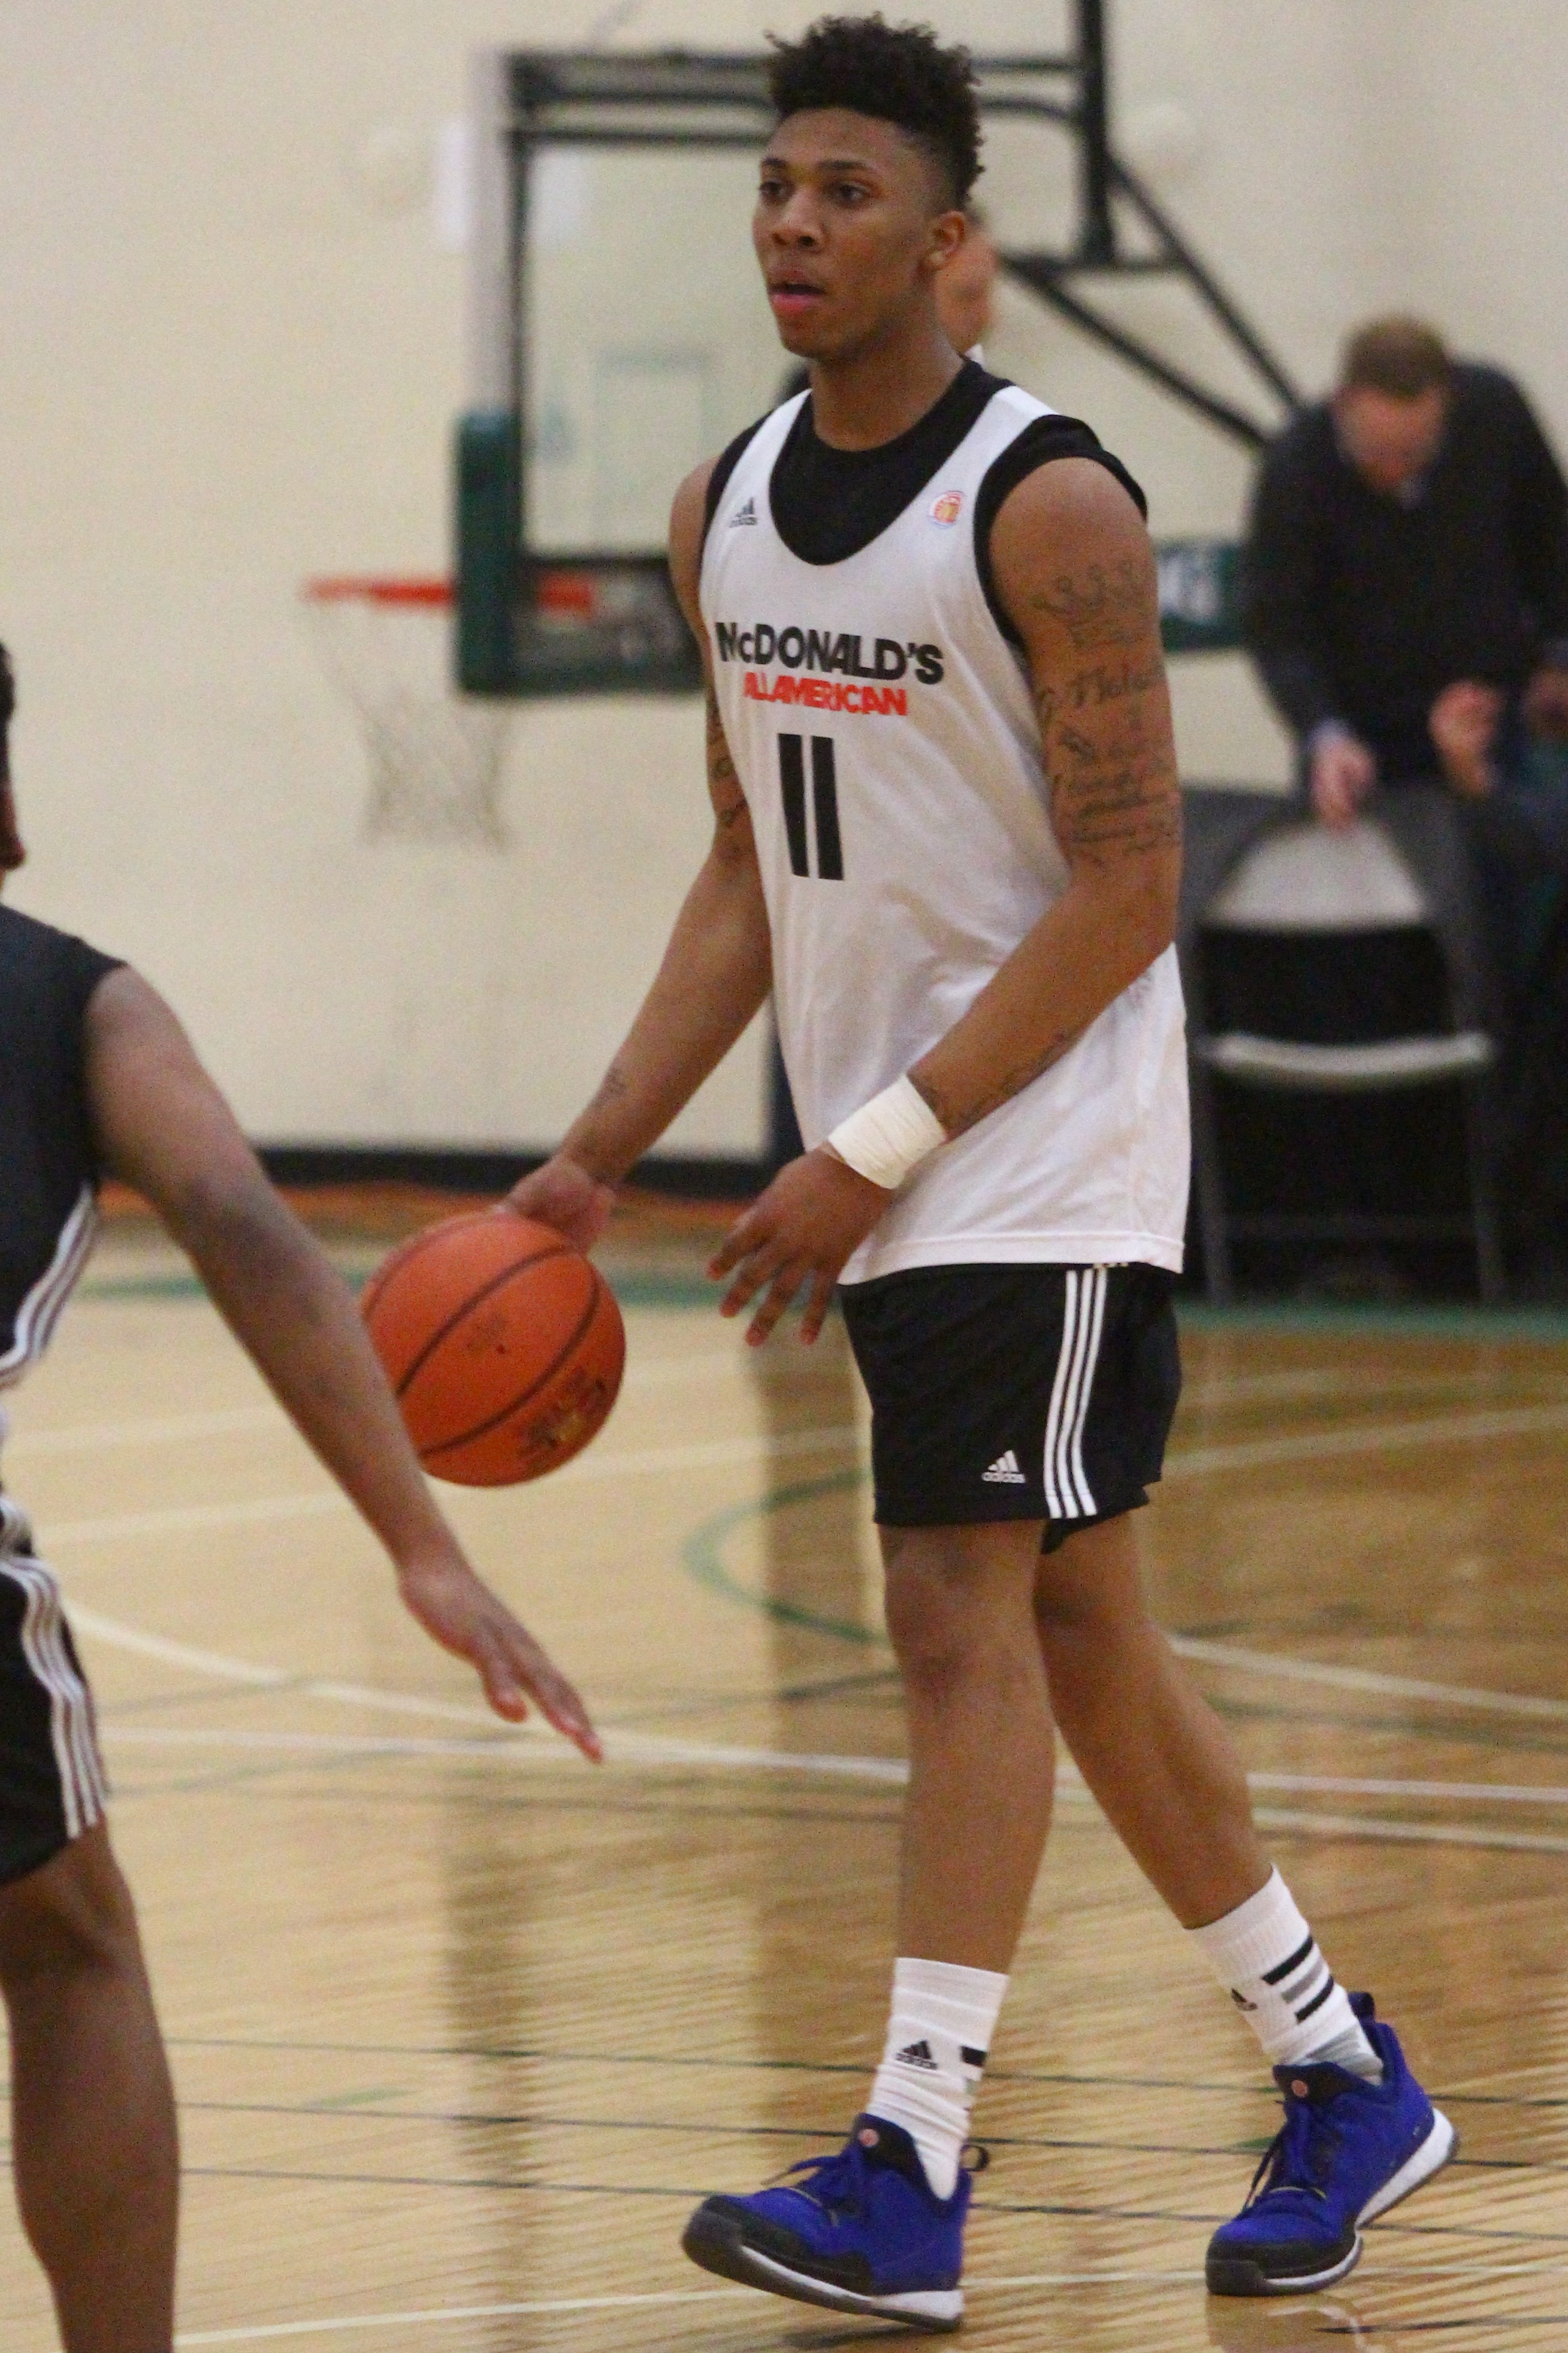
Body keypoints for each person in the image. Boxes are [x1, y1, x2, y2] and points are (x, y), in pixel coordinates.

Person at [510, 15, 1452, 2330]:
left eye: (841, 191)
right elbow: (747, 864)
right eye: (771, 187)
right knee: (1075, 1629)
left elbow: (1127, 885)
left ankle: (913, 2149)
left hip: (1037, 1144)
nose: (790, 226)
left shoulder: (1046, 502)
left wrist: (879, 1146)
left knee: (950, 1603)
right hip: (888, 1142)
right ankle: (1337, 2068)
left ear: (946, 241)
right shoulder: (717, 502)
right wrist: (587, 1150)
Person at [0, 642, 599, 2353]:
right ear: (9, 810)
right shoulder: (78, 1004)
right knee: (67, 1946)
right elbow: (241, 1219)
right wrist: (422, 1541)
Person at [1242, 314, 1568, 832]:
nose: (1394, 472)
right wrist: (1323, 733)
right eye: (1376, 453)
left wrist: (1557, 654)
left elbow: (1550, 539)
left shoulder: (1495, 414)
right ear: (1342, 402)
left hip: (1489, 714)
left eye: (1414, 454)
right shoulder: (1294, 470)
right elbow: (1278, 630)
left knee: (1511, 873)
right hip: (1358, 731)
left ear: (1448, 405)